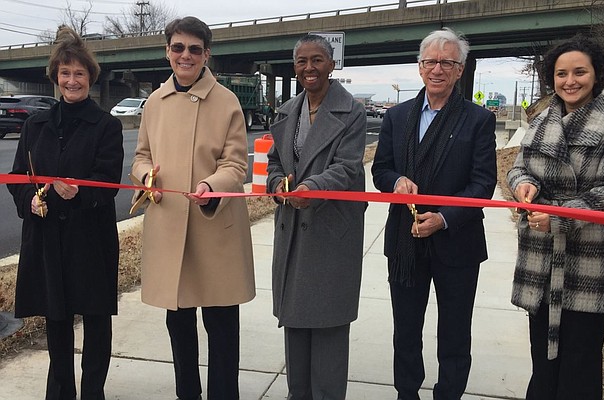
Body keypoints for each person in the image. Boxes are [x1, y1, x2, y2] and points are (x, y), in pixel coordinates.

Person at [507, 37, 604, 399]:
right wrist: (525, 187)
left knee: (580, 362)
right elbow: (518, 169)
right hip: (541, 255)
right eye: (561, 73)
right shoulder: (542, 120)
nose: (570, 81)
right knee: (542, 359)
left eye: (579, 72)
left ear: (596, 75)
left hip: (588, 258)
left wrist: (559, 218)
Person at [131, 16, 255, 400]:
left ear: (207, 54)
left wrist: (210, 185)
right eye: (178, 47)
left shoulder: (227, 101)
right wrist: (147, 176)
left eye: (195, 49)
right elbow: (140, 157)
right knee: (179, 325)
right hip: (170, 229)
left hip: (214, 226)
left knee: (221, 327)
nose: (186, 56)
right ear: (167, 51)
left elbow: (236, 164)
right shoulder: (154, 102)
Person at [371, 28, 497, 400]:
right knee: (405, 330)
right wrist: (395, 182)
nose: (437, 69)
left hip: (456, 241)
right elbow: (380, 170)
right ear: (419, 66)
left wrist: (443, 217)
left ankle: (449, 394)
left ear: (460, 70)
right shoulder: (397, 116)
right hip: (405, 240)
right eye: (430, 61)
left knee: (455, 333)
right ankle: (406, 392)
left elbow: (482, 183)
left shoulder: (477, 119)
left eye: (447, 62)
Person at [7, 26, 123, 400]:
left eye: (79, 73)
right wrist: (30, 199)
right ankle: (60, 392)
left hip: (89, 239)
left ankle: (93, 392)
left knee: (96, 319)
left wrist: (80, 192)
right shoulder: (34, 125)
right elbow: (17, 177)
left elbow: (108, 181)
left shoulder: (107, 125)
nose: (72, 81)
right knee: (55, 318)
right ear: (55, 77)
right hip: (46, 238)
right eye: (65, 73)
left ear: (90, 77)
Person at [266, 34, 367, 399]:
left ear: (331, 64)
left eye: (317, 60)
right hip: (292, 229)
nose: (309, 68)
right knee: (295, 325)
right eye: (301, 61)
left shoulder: (352, 112)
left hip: (330, 232)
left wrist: (312, 188)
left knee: (328, 328)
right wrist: (277, 183)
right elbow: (274, 161)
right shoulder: (286, 111)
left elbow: (348, 167)